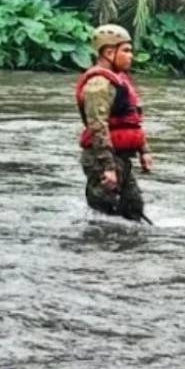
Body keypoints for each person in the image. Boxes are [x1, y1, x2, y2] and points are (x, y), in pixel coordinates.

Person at [75, 24, 152, 222]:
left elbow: (132, 120)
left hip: (121, 158)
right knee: (105, 212)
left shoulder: (119, 80)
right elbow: (98, 127)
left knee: (134, 209)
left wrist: (144, 151)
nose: (131, 56)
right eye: (126, 51)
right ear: (109, 52)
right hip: (102, 159)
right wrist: (108, 167)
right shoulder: (98, 85)